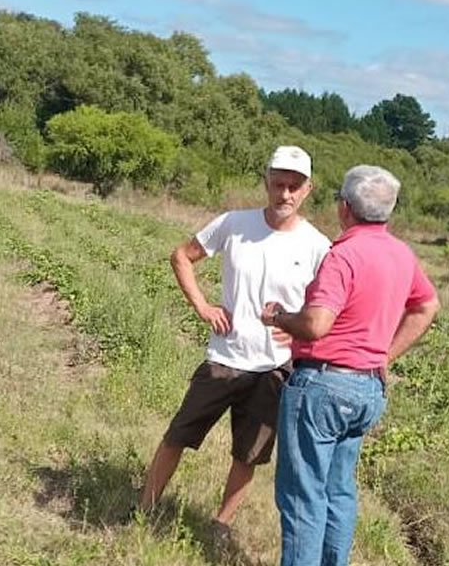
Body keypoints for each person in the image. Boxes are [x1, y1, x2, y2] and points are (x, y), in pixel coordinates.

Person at [137, 146, 331, 539]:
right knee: (178, 434)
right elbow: (182, 256)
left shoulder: (318, 246)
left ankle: (220, 526)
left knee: (249, 454)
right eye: (279, 184)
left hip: (275, 368)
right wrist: (202, 306)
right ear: (266, 182)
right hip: (223, 358)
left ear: (308, 189)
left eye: (295, 186)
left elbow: (326, 307)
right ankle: (144, 509)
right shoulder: (233, 223)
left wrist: (296, 332)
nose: (285, 194)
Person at [261, 164, 440, 566]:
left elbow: (317, 324)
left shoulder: (343, 255)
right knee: (339, 489)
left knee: (302, 496)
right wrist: (384, 356)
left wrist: (280, 317)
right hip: (366, 389)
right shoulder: (401, 253)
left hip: (322, 387)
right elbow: (427, 305)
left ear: (345, 207)